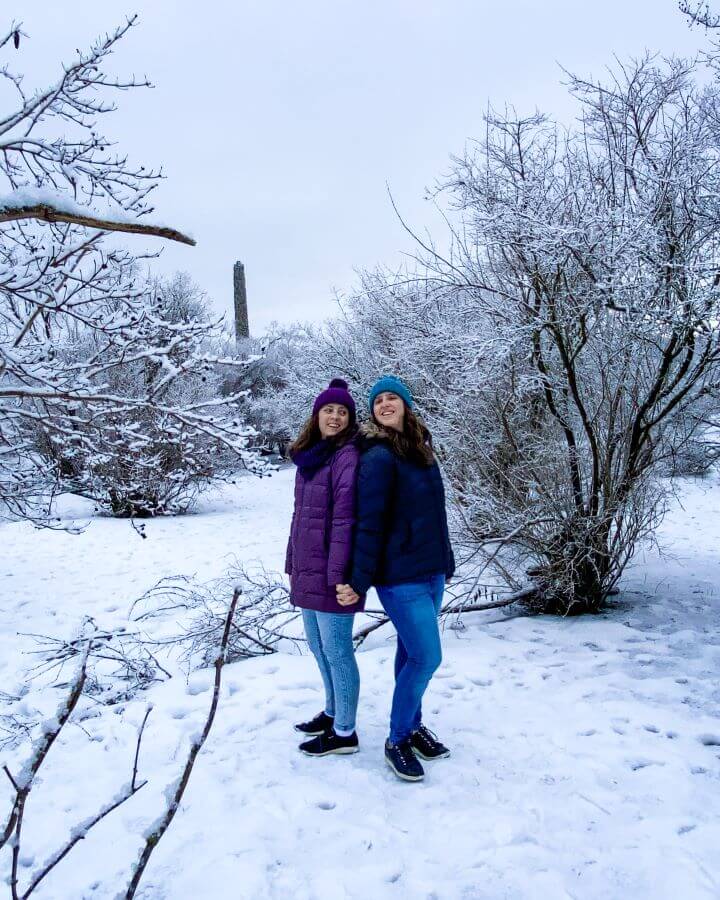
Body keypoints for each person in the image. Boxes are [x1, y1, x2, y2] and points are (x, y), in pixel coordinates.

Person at [337, 375, 455, 782]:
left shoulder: (421, 449)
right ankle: (397, 739)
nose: (386, 404)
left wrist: (446, 559)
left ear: (406, 404)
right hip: (398, 575)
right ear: (372, 410)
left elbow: (436, 514)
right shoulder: (379, 456)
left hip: (430, 569)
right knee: (427, 656)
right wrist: (359, 577)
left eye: (393, 398)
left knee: (410, 652)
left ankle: (413, 724)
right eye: (379, 400)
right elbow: (369, 523)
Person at [285, 378, 363, 756]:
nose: (334, 417)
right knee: (318, 646)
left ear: (350, 419)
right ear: (316, 415)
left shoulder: (346, 454)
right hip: (308, 566)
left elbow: (346, 519)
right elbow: (301, 516)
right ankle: (333, 712)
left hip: (334, 573)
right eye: (329, 410)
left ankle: (345, 732)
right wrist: (292, 562)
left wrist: (340, 576)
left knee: (337, 650)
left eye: (342, 411)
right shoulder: (310, 454)